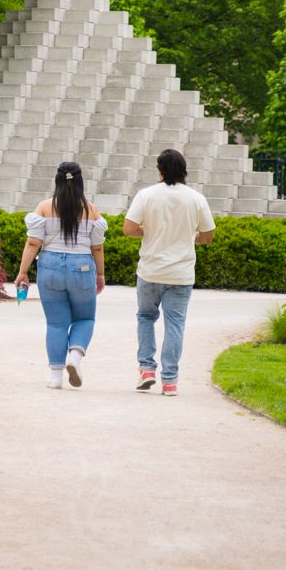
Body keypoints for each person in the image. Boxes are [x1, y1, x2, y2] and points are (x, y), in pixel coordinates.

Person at [124, 148, 216, 396]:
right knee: (175, 325)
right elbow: (208, 236)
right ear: (184, 170)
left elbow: (129, 228)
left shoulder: (146, 195)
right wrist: (188, 237)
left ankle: (146, 368)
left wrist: (150, 232)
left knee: (146, 318)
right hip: (181, 273)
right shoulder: (196, 198)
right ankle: (170, 381)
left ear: (160, 170)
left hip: (150, 270)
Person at [14, 160, 107, 389]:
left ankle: (55, 376)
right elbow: (97, 247)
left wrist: (23, 272)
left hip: (50, 265)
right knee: (85, 318)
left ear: (57, 180)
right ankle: (74, 356)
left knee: (56, 324)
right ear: (80, 182)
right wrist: (101, 274)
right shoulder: (91, 210)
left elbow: (33, 241)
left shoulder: (44, 207)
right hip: (82, 267)